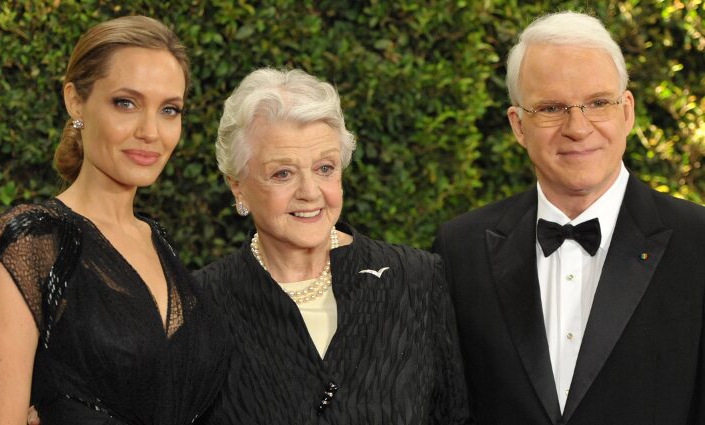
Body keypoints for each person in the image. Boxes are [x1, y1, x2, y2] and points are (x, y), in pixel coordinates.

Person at [433, 11, 705, 425]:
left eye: (598, 103)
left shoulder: (698, 242)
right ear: (518, 125)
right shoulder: (460, 249)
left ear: (627, 112)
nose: (577, 127)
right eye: (551, 108)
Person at [0, 16, 228, 425]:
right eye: (125, 103)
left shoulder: (158, 240)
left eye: (169, 109)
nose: (151, 131)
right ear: (76, 101)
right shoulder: (33, 241)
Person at [194, 68, 472, 424]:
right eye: (283, 173)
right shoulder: (201, 303)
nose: (310, 192)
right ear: (238, 187)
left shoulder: (415, 278)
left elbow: (453, 417)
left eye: (325, 168)